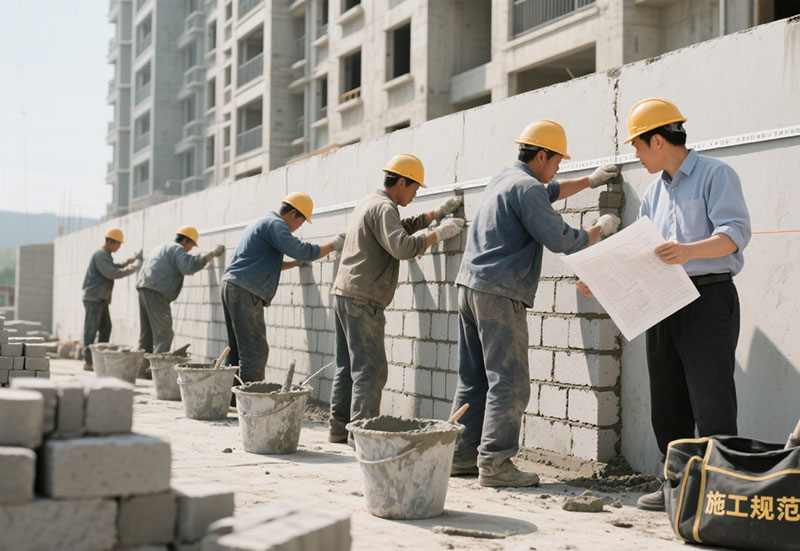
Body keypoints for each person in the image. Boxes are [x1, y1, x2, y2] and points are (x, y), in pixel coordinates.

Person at [579, 97, 751, 510]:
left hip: (708, 298)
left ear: (657, 140)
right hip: (664, 300)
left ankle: (719, 491)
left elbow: (737, 233)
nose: (636, 155)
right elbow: (642, 254)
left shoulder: (716, 174)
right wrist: (601, 280)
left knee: (711, 401)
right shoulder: (655, 192)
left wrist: (690, 251)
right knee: (668, 402)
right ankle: (677, 484)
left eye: (637, 145)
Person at [450, 121, 621, 487]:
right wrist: (599, 229)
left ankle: (461, 455)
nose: (559, 167)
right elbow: (563, 240)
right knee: (509, 382)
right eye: (557, 160)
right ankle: (495, 465)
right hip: (499, 293)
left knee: (474, 378)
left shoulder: (506, 177)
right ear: (541, 155)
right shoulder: (528, 189)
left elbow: (549, 191)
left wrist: (589, 182)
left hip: (469, 287)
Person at [328, 154, 467, 445]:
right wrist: (436, 235)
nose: (415, 194)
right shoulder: (383, 207)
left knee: (348, 366)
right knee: (371, 370)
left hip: (345, 293)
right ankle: (361, 437)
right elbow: (401, 246)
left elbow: (394, 230)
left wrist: (432, 215)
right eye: (414, 188)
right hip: (362, 298)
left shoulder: (370, 202)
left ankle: (339, 429)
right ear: (401, 182)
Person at [222, 192, 344, 387]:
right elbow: (299, 249)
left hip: (233, 285)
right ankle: (251, 402)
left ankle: (232, 399)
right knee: (255, 350)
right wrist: (332, 246)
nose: (298, 228)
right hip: (244, 289)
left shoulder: (263, 223)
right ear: (293, 213)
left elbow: (265, 262)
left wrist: (294, 264)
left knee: (238, 348)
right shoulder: (276, 224)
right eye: (301, 222)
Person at [136, 226, 225, 354]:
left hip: (144, 289)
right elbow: (188, 266)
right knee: (164, 334)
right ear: (185, 241)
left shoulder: (161, 247)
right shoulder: (177, 248)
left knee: (147, 334)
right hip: (156, 291)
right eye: (191, 246)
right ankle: (158, 370)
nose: (189, 250)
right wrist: (210, 255)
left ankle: (142, 369)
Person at [81, 228, 141, 370]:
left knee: (106, 328)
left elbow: (114, 266)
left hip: (100, 299)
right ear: (109, 242)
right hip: (94, 298)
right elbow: (112, 272)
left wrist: (129, 261)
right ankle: (88, 361)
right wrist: (133, 268)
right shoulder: (100, 255)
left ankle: (99, 359)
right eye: (117, 244)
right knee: (91, 330)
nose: (118, 247)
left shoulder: (106, 255)